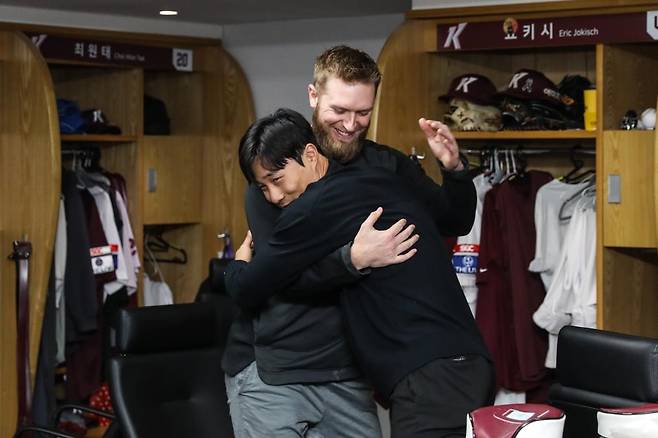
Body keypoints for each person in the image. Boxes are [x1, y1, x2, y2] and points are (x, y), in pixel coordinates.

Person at [221, 45, 479, 438]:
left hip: (347, 370)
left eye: (363, 113)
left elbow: (452, 220)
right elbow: (280, 278)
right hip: (277, 365)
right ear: (313, 95)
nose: (350, 124)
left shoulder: (384, 166)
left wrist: (455, 169)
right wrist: (353, 259)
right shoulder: (278, 174)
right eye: (339, 111)